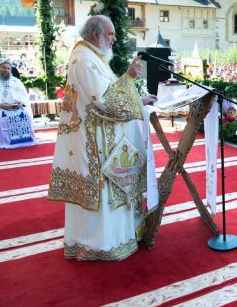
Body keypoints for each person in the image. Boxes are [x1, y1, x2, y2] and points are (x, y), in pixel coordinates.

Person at [47, 15, 158, 261]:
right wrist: (129, 76)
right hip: (97, 142)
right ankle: (102, 244)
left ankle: (120, 236)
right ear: (97, 34)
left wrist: (139, 100)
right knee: (104, 190)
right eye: (111, 34)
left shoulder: (92, 56)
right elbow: (106, 102)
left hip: (102, 137)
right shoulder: (85, 60)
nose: (114, 39)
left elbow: (106, 92)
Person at [0, 59, 37, 148]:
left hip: (17, 107)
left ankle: (25, 141)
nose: (6, 70)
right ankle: (4, 143)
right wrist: (0, 104)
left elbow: (24, 95)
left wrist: (21, 102)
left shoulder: (16, 81)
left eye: (8, 68)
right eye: (3, 67)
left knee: (27, 115)